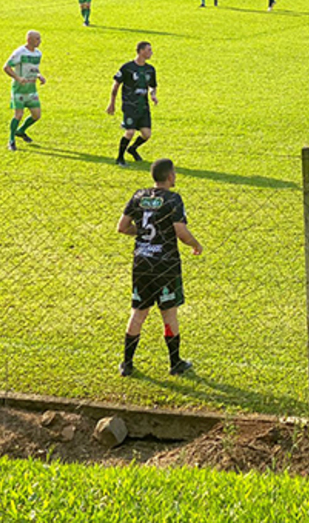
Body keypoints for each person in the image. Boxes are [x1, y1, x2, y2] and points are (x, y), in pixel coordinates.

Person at [116, 158, 202, 377]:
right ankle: (175, 363)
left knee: (138, 313)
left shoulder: (138, 196)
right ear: (170, 176)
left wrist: (142, 234)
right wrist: (196, 244)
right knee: (169, 313)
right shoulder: (173, 199)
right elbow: (180, 231)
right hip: (165, 265)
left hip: (141, 263)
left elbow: (122, 227)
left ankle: (127, 364)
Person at [107, 41, 158, 167]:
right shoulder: (127, 68)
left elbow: (152, 86)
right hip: (130, 105)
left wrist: (153, 95)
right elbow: (116, 85)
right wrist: (111, 103)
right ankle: (120, 158)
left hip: (143, 106)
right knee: (129, 132)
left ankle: (132, 149)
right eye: (149, 50)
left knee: (146, 134)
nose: (151, 53)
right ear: (141, 51)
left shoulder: (150, 70)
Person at [3, 30, 46, 152]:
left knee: (36, 115)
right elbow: (6, 67)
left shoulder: (38, 53)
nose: (40, 41)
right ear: (29, 40)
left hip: (31, 88)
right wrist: (17, 78)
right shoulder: (20, 52)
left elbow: (34, 69)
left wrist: (39, 76)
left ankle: (20, 131)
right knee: (19, 114)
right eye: (37, 39)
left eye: (40, 38)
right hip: (19, 88)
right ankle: (11, 140)